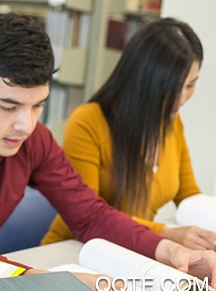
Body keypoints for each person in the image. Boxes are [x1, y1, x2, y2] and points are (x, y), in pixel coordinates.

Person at [0, 12, 216, 291]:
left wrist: (169, 250)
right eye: (9, 106)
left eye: (38, 106)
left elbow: (90, 213)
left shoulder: (30, 138)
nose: (26, 124)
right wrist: (49, 283)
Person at [41, 18, 216, 250]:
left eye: (190, 85)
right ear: (143, 81)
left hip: (135, 251)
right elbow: (88, 216)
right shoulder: (88, 122)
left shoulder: (172, 124)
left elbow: (188, 196)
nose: (181, 99)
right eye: (171, 88)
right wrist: (166, 234)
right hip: (75, 250)